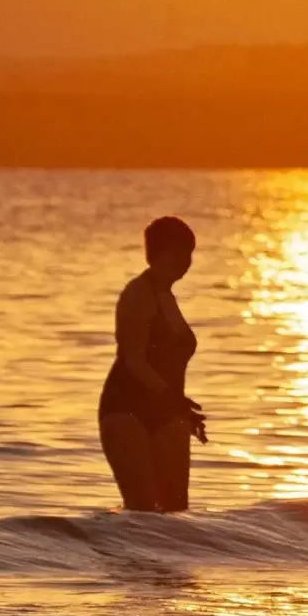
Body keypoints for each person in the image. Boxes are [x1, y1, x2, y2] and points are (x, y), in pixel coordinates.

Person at [99, 215, 206, 512]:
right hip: (126, 409)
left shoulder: (167, 295)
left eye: (190, 252)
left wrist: (179, 408)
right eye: (181, 252)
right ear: (159, 252)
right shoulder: (137, 294)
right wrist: (172, 398)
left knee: (176, 510)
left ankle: (167, 562)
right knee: (141, 509)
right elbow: (132, 358)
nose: (187, 261)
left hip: (167, 410)